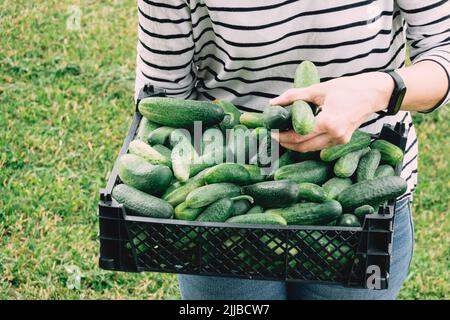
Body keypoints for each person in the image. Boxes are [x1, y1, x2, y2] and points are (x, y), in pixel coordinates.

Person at [134, 0, 449, 300]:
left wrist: (378, 91)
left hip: (361, 192)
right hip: (227, 201)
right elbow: (162, 96)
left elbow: (443, 50)